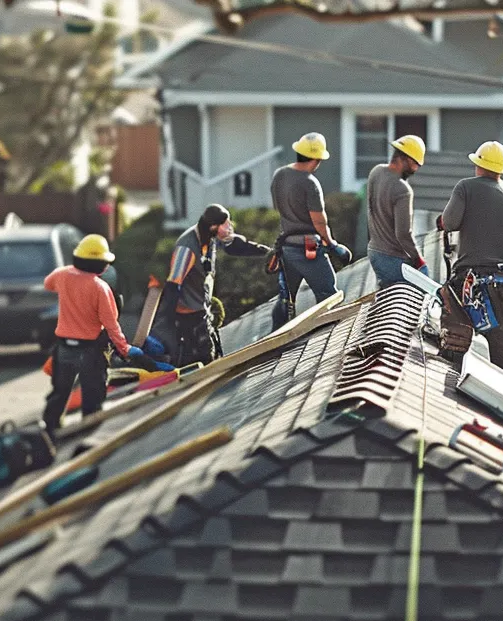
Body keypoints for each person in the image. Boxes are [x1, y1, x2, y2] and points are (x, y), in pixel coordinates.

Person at [438, 141, 503, 374]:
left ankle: (448, 384)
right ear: (501, 169)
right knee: (502, 351)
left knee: (455, 334)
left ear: (478, 165)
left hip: (471, 279)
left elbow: (449, 223)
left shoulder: (465, 187)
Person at [40, 234, 141, 431]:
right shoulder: (100, 288)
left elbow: (48, 284)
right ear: (99, 263)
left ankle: (51, 429)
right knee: (93, 395)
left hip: (64, 348)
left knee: (60, 392)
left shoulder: (62, 275)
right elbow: (112, 326)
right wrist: (125, 349)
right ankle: (90, 431)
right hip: (90, 351)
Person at [163, 204, 272, 366]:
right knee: (204, 359)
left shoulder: (210, 236)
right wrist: (168, 326)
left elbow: (235, 247)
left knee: (214, 353)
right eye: (226, 224)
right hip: (189, 315)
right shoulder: (187, 248)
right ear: (214, 227)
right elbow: (173, 285)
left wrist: (268, 252)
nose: (230, 227)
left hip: (202, 308)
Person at [269, 132, 351, 331]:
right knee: (329, 296)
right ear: (316, 159)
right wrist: (331, 243)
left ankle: (276, 337)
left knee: (286, 298)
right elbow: (318, 220)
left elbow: (277, 206)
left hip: (287, 248)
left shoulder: (280, 175)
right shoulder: (309, 183)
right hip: (308, 250)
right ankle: (329, 336)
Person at [367, 135, 428, 288]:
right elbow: (403, 234)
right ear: (405, 159)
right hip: (392, 257)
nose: (415, 169)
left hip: (374, 251)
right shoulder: (403, 189)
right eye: (415, 164)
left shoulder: (376, 172)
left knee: (387, 299)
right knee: (426, 290)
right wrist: (418, 260)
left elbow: (372, 210)